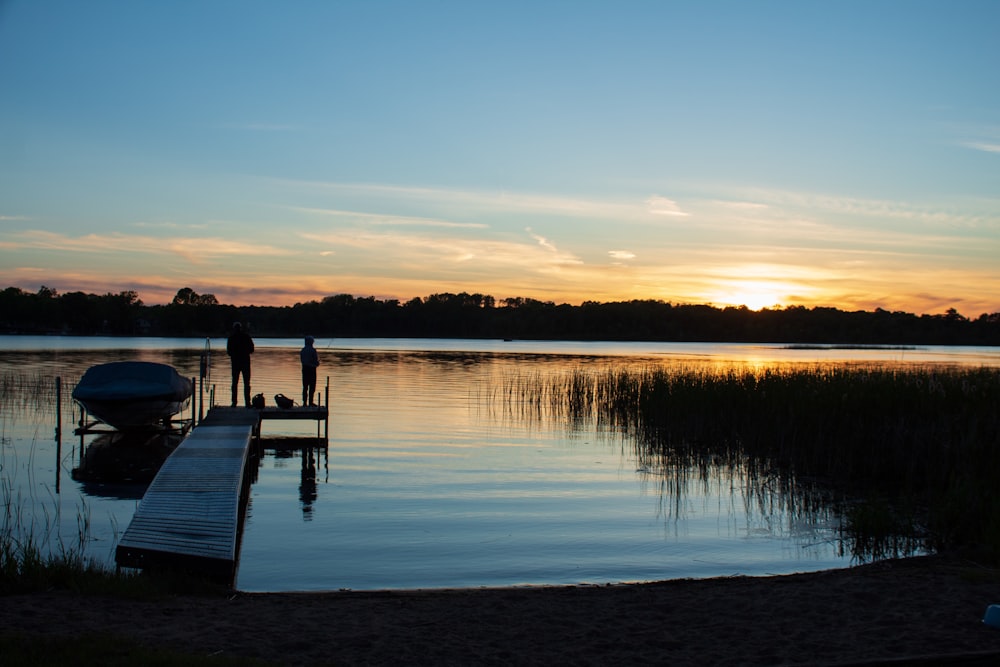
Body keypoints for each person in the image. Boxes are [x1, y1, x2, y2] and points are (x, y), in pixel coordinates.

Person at [227, 322, 255, 407]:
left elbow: (229, 352)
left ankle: (234, 402)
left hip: (236, 363)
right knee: (246, 383)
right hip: (245, 363)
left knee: (235, 383)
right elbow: (252, 349)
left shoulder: (231, 338)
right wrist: (244, 352)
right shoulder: (246, 337)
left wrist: (235, 354)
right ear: (241, 328)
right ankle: (247, 402)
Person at [300, 335, 320, 406]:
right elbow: (315, 361)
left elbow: (302, 361)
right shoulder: (313, 350)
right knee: (312, 387)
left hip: (304, 370)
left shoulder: (302, 350)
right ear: (311, 342)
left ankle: (304, 402)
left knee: (305, 387)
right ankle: (310, 402)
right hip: (311, 370)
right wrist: (317, 363)